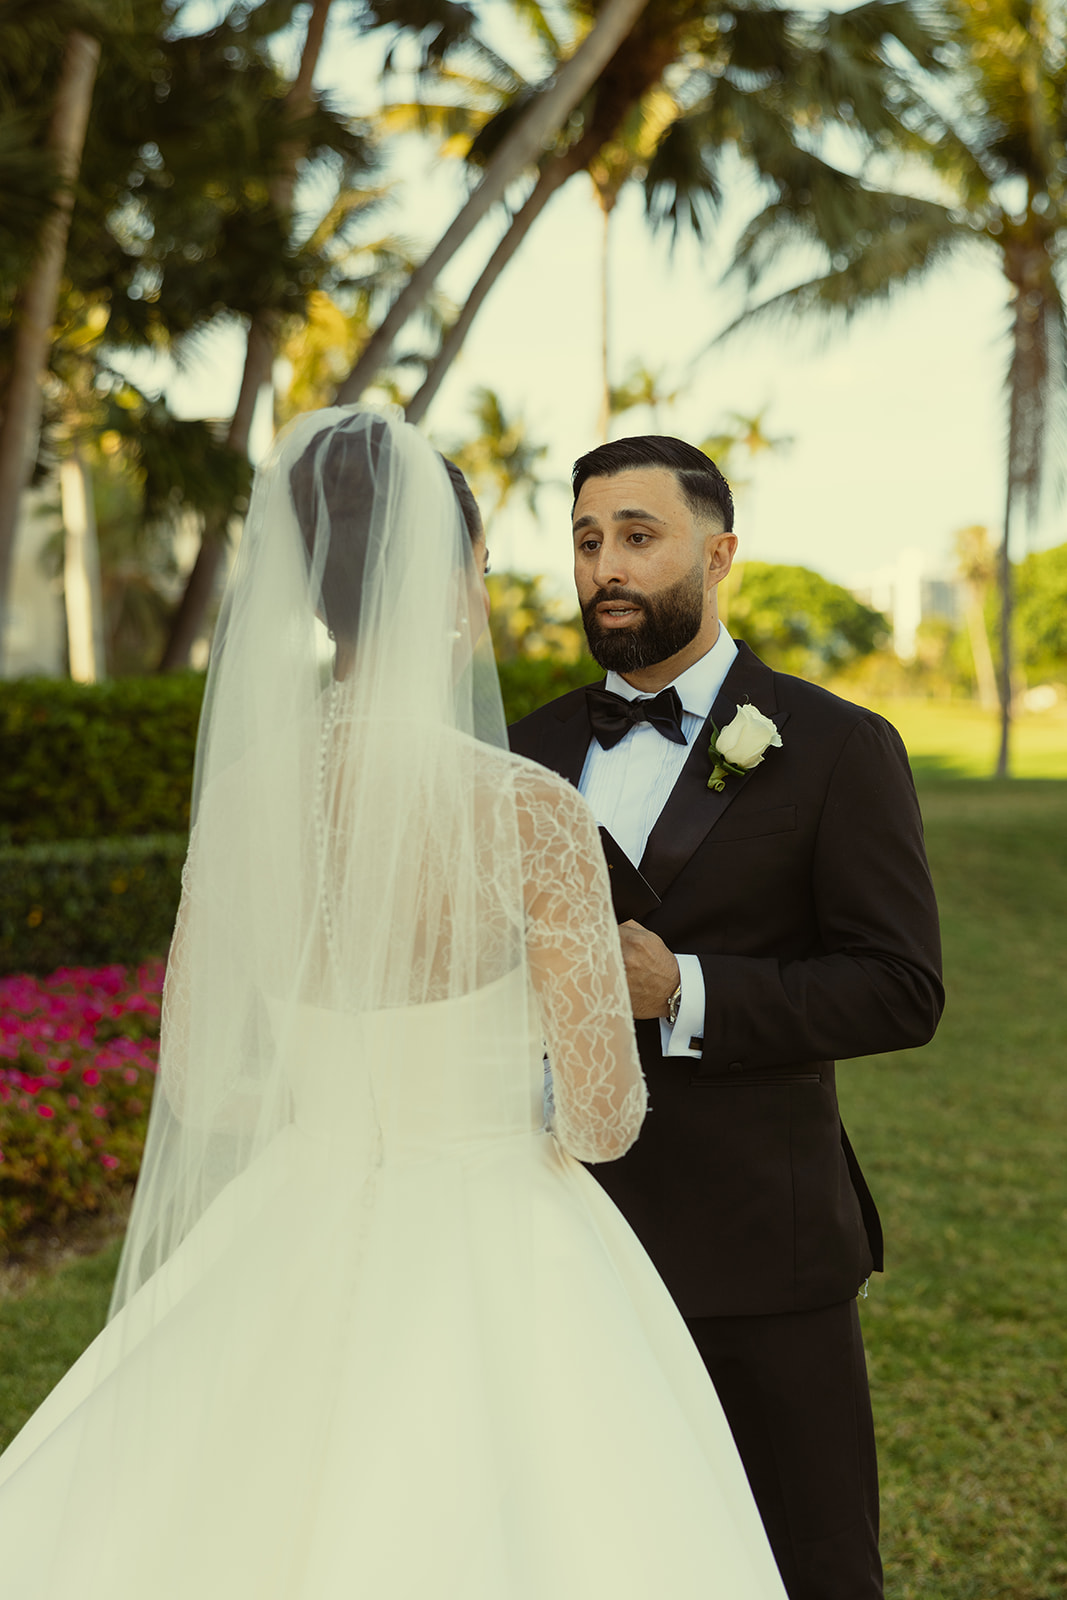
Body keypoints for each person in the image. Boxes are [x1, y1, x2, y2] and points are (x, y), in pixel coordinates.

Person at [0, 408, 787, 1600]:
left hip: (291, 1216)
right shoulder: (526, 814)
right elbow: (598, 1118)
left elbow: (204, 1079)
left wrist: (335, 1098)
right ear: (444, 583)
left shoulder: (247, 802)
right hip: (495, 1233)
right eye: (472, 563)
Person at [509, 435, 945, 1600]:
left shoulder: (839, 744)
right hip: (569, 1234)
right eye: (588, 539)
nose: (607, 565)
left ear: (719, 553)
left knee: (808, 1564)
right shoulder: (528, 752)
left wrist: (684, 988)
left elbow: (900, 985)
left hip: (766, 1248)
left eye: (639, 537)